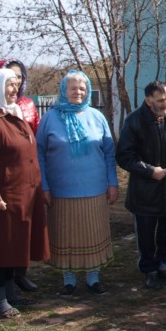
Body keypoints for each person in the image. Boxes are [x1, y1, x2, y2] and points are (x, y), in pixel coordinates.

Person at [0, 68, 50, 319]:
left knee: (13, 245)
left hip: (23, 195)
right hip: (1, 196)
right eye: (9, 85)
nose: (14, 89)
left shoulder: (14, 115)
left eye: (17, 84)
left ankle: (10, 293)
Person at [36, 71, 118, 296]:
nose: (78, 92)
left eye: (82, 88)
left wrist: (113, 183)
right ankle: (69, 280)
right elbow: (39, 154)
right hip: (61, 190)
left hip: (94, 188)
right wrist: (44, 185)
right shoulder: (50, 118)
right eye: (73, 88)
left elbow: (109, 153)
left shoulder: (97, 116)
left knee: (92, 232)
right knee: (66, 234)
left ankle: (93, 279)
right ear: (64, 90)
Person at [116, 81, 166, 290]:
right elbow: (124, 156)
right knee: (147, 234)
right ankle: (149, 270)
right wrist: (149, 171)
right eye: (160, 100)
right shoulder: (134, 121)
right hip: (145, 190)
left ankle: (164, 264)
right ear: (148, 100)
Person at [0, 57, 42, 293]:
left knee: (18, 237)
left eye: (18, 79)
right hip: (3, 186)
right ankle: (2, 295)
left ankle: (15, 281)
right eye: (10, 79)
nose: (16, 85)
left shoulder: (23, 107)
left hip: (25, 184)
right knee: (1, 241)